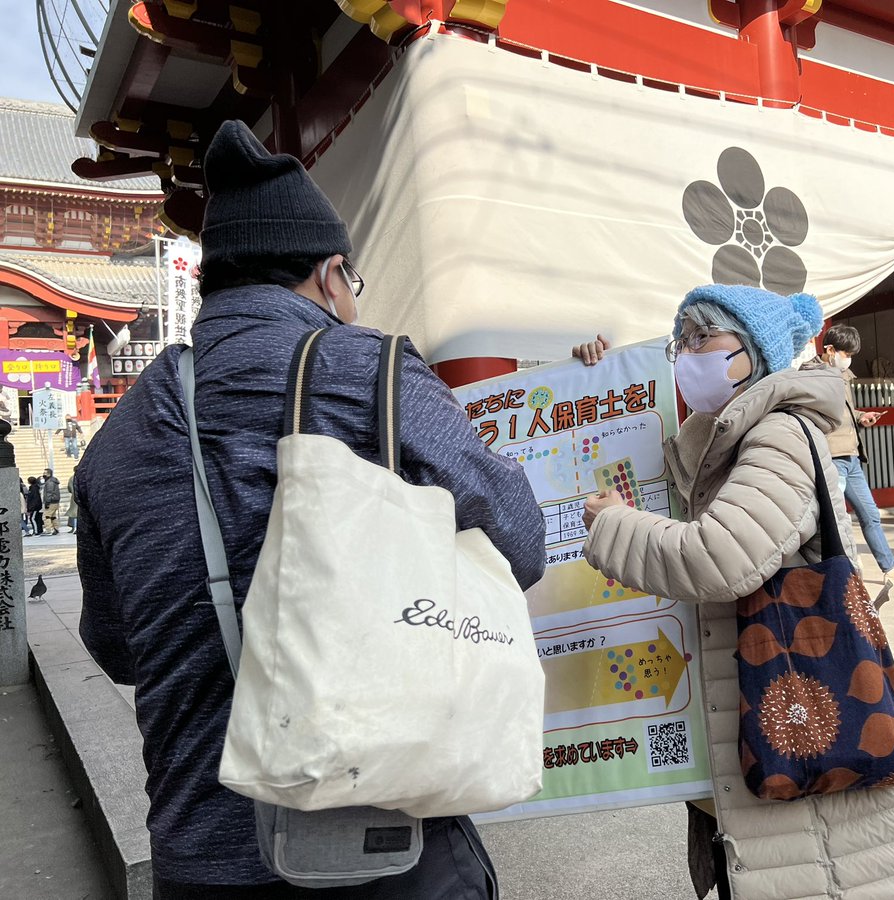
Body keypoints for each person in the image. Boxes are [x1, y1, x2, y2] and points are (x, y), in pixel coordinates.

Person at [74, 120, 545, 898]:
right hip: (379, 849)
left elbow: (117, 648)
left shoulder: (117, 439)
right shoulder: (370, 373)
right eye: (349, 287)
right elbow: (521, 541)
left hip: (200, 856)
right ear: (331, 276)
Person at [573, 285, 894, 900]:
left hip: (804, 753)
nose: (687, 353)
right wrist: (599, 380)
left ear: (752, 352)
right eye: (680, 340)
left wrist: (611, 525)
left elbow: (720, 558)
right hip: (751, 746)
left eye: (703, 338)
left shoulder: (777, 436)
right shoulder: (724, 441)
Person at [817, 323, 894, 586]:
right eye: (846, 354)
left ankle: (890, 568)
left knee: (870, 514)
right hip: (831, 456)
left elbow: (844, 413)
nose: (849, 359)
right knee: (834, 520)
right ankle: (839, 574)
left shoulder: (843, 375)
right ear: (831, 349)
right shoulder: (813, 374)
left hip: (851, 455)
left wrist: (861, 416)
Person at [41, 468, 61, 535]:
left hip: (51, 501)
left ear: (49, 474)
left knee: (46, 516)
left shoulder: (49, 482)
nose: (43, 475)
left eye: (45, 473)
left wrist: (47, 502)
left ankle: (49, 530)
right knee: (53, 516)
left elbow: (49, 492)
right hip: (55, 501)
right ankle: (56, 528)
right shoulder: (53, 481)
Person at [65, 466, 79, 534]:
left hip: (74, 497)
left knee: (74, 513)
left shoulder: (72, 478)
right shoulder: (83, 476)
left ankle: (74, 527)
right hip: (82, 496)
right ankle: (76, 528)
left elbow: (69, 488)